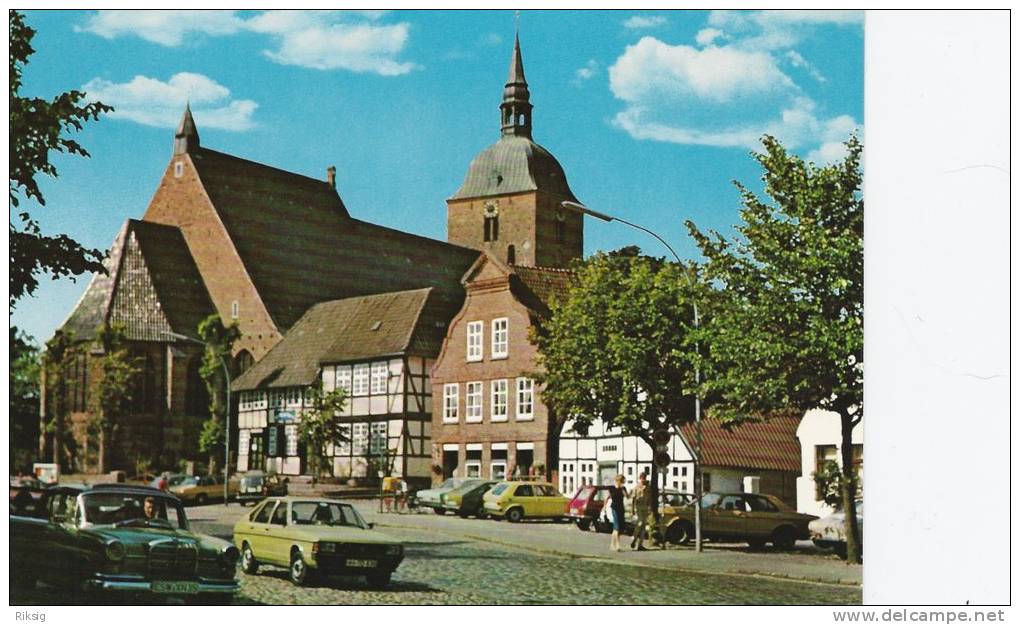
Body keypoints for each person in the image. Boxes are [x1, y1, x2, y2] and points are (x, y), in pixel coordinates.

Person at [630, 473, 652, 551]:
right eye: (642, 478)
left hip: (645, 507)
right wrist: (632, 509)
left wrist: (650, 507)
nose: (644, 479)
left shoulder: (648, 487)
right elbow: (633, 498)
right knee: (639, 524)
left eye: (645, 477)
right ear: (640, 478)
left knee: (643, 526)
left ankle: (640, 544)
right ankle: (634, 539)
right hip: (638, 507)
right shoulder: (636, 487)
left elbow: (650, 498)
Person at [608, 474, 628, 552]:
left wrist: (624, 491)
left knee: (619, 527)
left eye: (623, 481)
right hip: (615, 508)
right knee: (617, 526)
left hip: (621, 508)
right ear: (618, 481)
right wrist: (604, 508)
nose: (623, 482)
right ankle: (617, 545)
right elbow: (609, 497)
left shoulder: (623, 488)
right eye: (622, 481)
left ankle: (612, 544)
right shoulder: (612, 488)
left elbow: (627, 496)